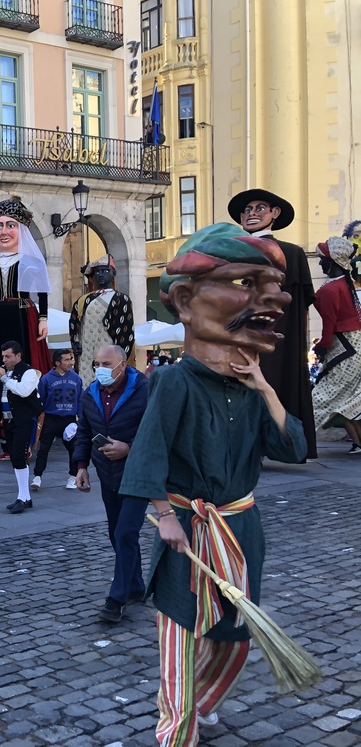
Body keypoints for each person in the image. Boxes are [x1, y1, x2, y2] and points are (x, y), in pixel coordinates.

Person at [119, 223, 307, 746]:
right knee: (178, 634)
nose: (271, 300)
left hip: (242, 529)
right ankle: (175, 735)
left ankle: (202, 703)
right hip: (190, 530)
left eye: (273, 287)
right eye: (246, 283)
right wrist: (168, 518)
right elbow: (151, 452)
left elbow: (291, 448)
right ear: (185, 299)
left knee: (236, 637)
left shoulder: (250, 388)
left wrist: (266, 387)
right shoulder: (174, 380)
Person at [229, 188, 317, 459]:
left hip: (275, 337)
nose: (251, 214)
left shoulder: (291, 253)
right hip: (236, 334)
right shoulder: (230, 251)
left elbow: (299, 305)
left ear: (274, 214)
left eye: (259, 208)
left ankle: (279, 442)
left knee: (271, 384)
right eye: (247, 210)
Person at [73, 345, 149, 624]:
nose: (100, 368)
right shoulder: (90, 393)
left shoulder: (144, 389)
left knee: (126, 532)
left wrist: (129, 447)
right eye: (97, 363)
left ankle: (116, 599)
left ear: (123, 364)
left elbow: (156, 430)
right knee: (116, 532)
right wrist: (81, 466)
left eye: (107, 363)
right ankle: (136, 585)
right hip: (107, 472)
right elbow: (84, 432)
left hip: (138, 473)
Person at [0, 196, 52, 374]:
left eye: (11, 225)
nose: (4, 231)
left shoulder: (33, 262)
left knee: (25, 357)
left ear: (21, 229)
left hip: (23, 314)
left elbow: (42, 292)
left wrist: (43, 319)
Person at [311, 237, 361, 453]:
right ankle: (358, 443)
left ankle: (294, 437)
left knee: (321, 395)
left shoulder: (332, 289)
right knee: (346, 397)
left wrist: (322, 346)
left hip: (345, 346)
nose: (320, 262)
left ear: (332, 262)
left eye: (322, 259)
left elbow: (329, 324)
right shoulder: (342, 284)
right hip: (352, 344)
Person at [69, 255, 135, 387]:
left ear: (113, 273)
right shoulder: (84, 300)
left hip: (109, 349)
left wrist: (120, 356)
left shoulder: (121, 299)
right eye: (98, 271)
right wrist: (75, 340)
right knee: (86, 385)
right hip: (86, 353)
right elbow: (74, 323)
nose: (100, 275)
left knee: (109, 383)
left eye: (105, 271)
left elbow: (125, 331)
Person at [0, 341, 43, 513]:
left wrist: (5, 378)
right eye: (3, 356)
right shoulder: (5, 373)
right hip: (8, 420)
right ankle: (25, 497)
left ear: (18, 356)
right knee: (14, 457)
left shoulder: (29, 372)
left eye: (8, 356)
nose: (4, 359)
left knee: (19, 456)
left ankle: (23, 497)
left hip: (24, 419)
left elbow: (23, 391)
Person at [33, 349, 84, 491]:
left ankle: (72, 477)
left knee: (73, 449)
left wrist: (79, 420)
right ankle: (38, 476)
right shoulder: (46, 379)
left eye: (71, 359)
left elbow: (80, 399)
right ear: (57, 362)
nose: (70, 362)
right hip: (51, 418)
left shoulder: (76, 378)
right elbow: (40, 399)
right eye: (66, 359)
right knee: (44, 448)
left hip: (69, 419)